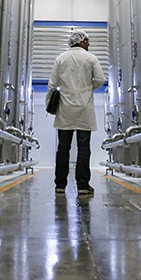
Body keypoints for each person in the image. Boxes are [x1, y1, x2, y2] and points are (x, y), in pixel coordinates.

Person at [46, 30, 106, 195]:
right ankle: (82, 185)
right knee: (83, 147)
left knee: (63, 148)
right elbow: (100, 80)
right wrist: (87, 89)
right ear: (80, 41)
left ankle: (60, 184)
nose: (89, 43)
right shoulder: (91, 58)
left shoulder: (61, 59)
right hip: (84, 108)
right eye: (87, 40)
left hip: (65, 108)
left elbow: (52, 84)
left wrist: (49, 105)